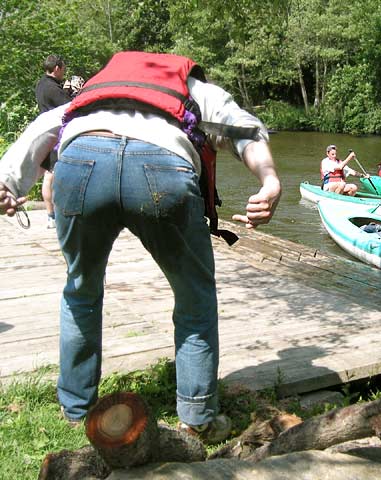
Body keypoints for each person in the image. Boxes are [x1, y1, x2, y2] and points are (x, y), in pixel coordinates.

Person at [0, 51, 281, 443]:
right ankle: (197, 416)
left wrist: (9, 182)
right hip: (161, 168)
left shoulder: (95, 92)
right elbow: (243, 130)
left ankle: (75, 407)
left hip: (81, 163)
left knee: (80, 290)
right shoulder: (194, 90)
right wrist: (268, 180)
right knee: (194, 298)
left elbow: (45, 127)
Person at [35, 54, 72, 229]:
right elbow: (70, 107)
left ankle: (51, 216)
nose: (64, 72)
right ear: (57, 68)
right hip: (55, 135)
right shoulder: (52, 88)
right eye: (63, 68)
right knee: (52, 175)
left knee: (49, 175)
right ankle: (53, 216)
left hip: (46, 132)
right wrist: (73, 93)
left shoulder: (42, 84)